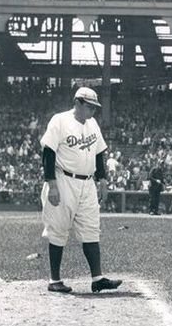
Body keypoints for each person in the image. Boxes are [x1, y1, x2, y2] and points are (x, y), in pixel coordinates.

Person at [39, 87, 122, 294]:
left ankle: (97, 278)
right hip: (63, 179)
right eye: (89, 106)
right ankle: (54, 280)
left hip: (87, 183)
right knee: (58, 229)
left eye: (95, 107)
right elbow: (48, 152)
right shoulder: (60, 120)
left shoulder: (92, 124)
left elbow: (98, 154)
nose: (92, 110)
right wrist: (52, 184)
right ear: (77, 102)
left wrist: (102, 179)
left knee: (91, 228)